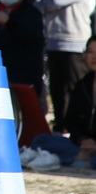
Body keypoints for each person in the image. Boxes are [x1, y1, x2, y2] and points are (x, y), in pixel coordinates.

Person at [34, 0, 94, 133]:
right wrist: (48, 0)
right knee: (57, 90)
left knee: (74, 89)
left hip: (74, 44)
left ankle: (76, 131)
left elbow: (55, 1)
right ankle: (60, 128)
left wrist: (48, 0)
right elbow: (39, 3)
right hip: (53, 42)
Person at [24, 36, 96, 171]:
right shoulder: (82, 85)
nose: (94, 57)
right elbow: (72, 120)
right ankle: (77, 157)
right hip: (83, 144)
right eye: (90, 52)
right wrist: (83, 140)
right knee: (40, 140)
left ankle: (72, 158)